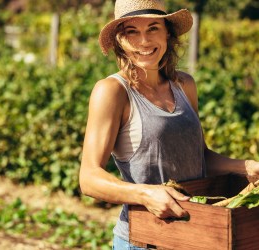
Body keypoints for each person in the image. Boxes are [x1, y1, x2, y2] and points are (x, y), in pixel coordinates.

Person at [79, 0, 259, 249]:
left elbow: (199, 157)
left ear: (168, 33)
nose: (144, 41)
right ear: (120, 40)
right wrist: (145, 194)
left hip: (195, 234)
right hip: (145, 238)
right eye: (132, 31)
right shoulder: (112, 91)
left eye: (153, 28)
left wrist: (246, 167)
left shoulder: (184, 85)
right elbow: (89, 178)